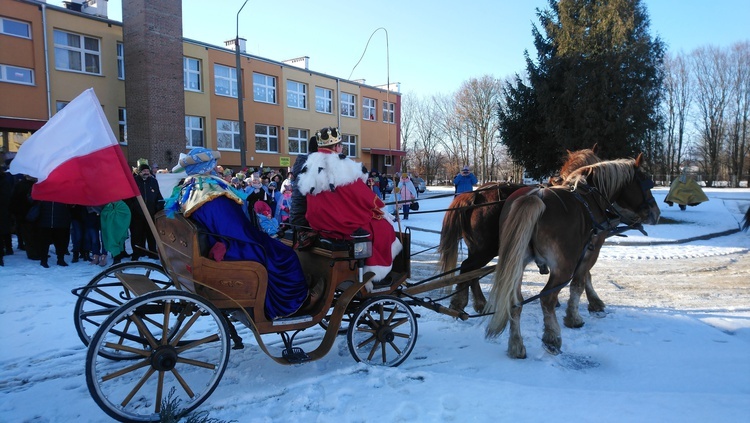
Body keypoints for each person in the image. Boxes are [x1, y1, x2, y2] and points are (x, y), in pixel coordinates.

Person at [164, 148, 311, 320]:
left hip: (216, 240)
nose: (216, 168)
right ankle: (288, 304)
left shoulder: (190, 189)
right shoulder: (212, 194)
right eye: (214, 165)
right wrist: (260, 235)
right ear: (207, 166)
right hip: (232, 244)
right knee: (286, 255)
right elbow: (236, 230)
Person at [296, 127, 402, 284]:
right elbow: (360, 194)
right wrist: (378, 206)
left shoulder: (310, 166)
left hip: (320, 223)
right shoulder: (342, 165)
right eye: (341, 145)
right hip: (341, 225)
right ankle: (373, 273)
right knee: (383, 228)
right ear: (337, 147)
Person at [129, 162, 163, 260]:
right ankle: (137, 252)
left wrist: (158, 207)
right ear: (139, 172)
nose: (146, 173)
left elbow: (158, 196)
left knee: (151, 234)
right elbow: (129, 198)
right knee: (137, 234)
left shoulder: (153, 182)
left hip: (151, 213)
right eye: (144, 171)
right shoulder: (134, 182)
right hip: (137, 215)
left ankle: (152, 252)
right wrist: (134, 208)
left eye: (147, 171)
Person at [37, 201, 71, 268]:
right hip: (46, 222)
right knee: (44, 243)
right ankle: (44, 260)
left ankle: (60, 259)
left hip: (59, 221)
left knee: (60, 243)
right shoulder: (43, 194)